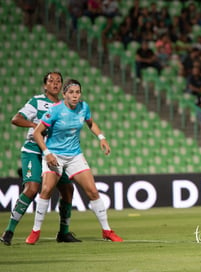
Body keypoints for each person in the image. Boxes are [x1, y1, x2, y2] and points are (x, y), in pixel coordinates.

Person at [25, 79, 123, 244]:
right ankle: (35, 231)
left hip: (75, 156)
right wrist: (47, 153)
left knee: (92, 191)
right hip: (54, 155)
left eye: (77, 92)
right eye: (71, 92)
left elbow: (91, 123)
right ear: (64, 95)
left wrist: (101, 138)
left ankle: (107, 230)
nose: (75, 96)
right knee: (47, 190)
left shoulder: (84, 107)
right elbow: (37, 133)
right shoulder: (55, 110)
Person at [1, 72, 79, 246]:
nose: (55, 84)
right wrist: (34, 125)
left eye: (59, 81)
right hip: (34, 150)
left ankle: (64, 232)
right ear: (45, 85)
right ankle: (9, 230)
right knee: (32, 188)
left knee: (67, 190)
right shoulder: (37, 101)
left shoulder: (65, 105)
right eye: (51, 81)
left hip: (54, 154)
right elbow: (16, 119)